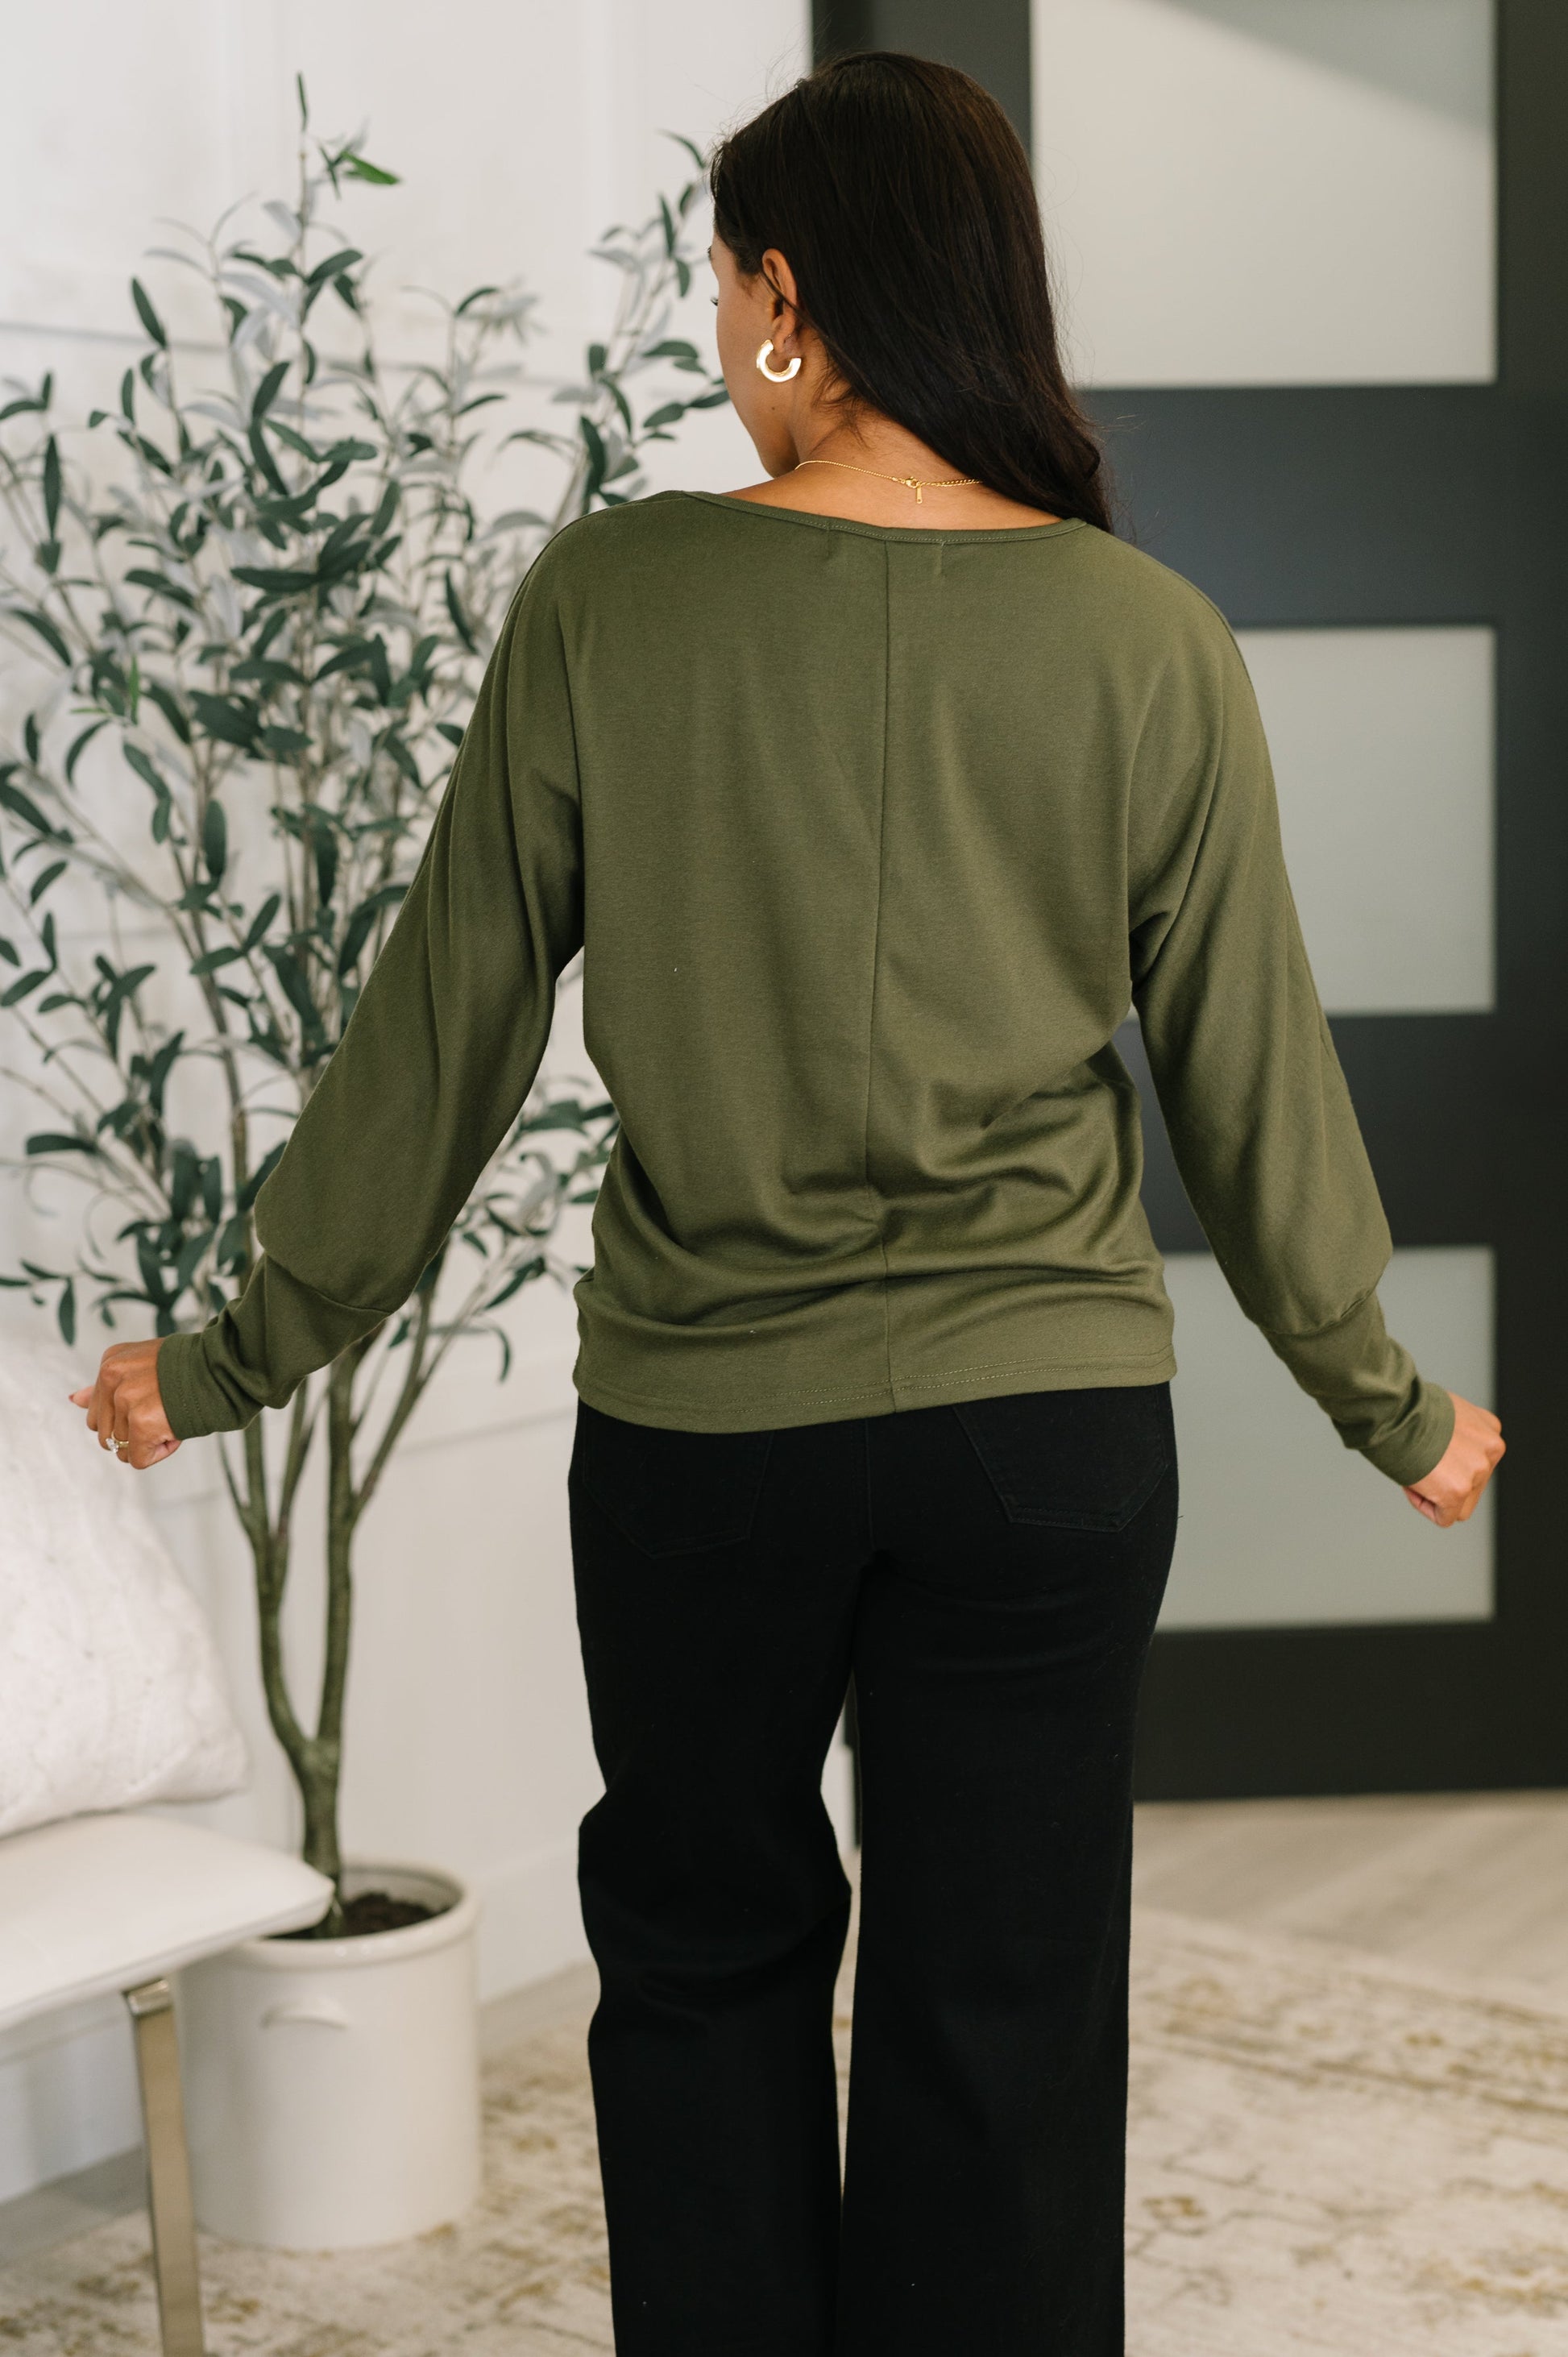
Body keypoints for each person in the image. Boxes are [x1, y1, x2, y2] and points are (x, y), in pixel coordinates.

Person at [73, 49, 1504, 2357]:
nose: (719, 336)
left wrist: (248, 1352)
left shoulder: (616, 600)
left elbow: (445, 1029)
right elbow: (1251, 1077)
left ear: (789, 297)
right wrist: (1386, 1400)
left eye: (722, 288)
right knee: (1003, 2004)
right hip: (1040, 1438)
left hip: (704, 1444)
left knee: (705, 1972)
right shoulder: (1146, 638)